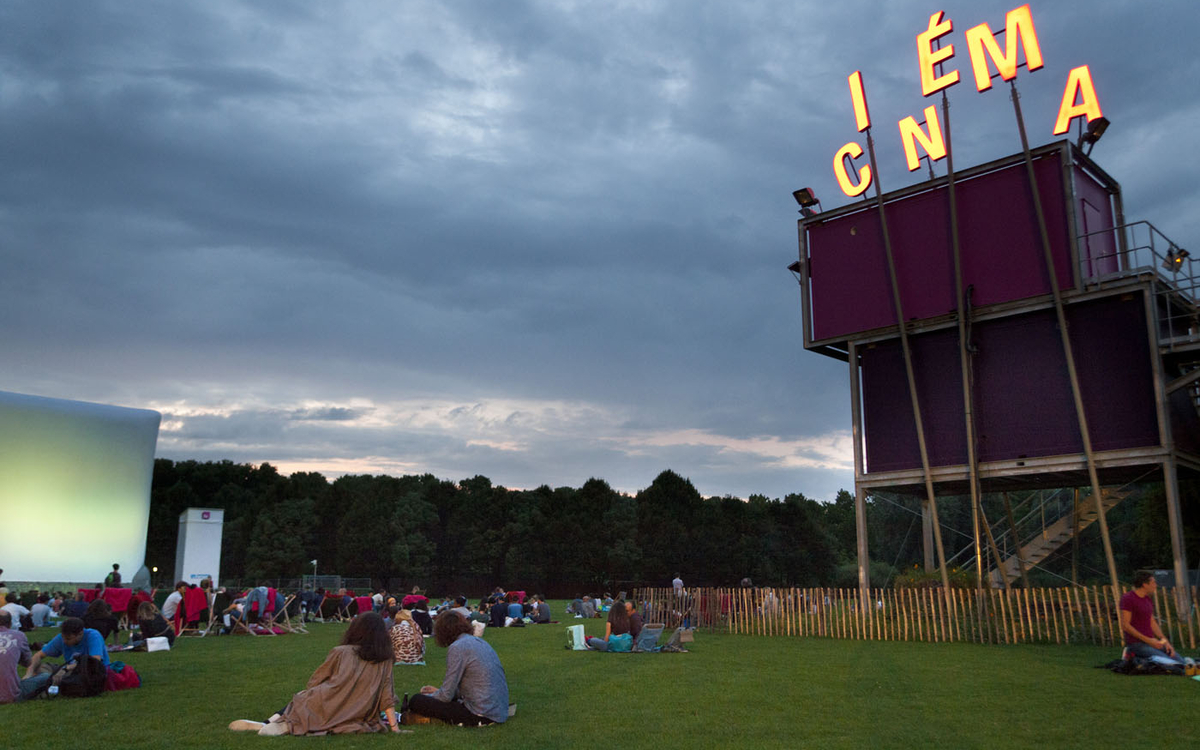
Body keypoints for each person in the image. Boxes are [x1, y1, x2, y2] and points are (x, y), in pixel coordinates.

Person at [229, 612, 401, 735]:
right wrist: (395, 728)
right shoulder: (385, 660)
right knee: (307, 701)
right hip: (357, 712)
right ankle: (271, 724)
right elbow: (387, 696)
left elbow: (316, 681)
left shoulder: (341, 652)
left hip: (327, 702)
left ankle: (271, 723)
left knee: (302, 699)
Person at [407, 611, 508, 726]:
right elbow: (471, 685)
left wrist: (432, 696)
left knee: (416, 700)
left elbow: (445, 696)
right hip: (498, 711)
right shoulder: (480, 642)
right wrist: (437, 692)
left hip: (480, 714)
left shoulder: (457, 647)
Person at [1120, 570, 1184, 664]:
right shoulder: (1128, 598)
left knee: (1180, 661)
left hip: (1152, 642)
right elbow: (1125, 625)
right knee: (1170, 664)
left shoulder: (1147, 600)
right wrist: (1149, 641)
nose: (1156, 585)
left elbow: (1152, 622)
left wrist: (1165, 641)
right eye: (1153, 582)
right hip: (1137, 644)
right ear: (1145, 584)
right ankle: (1130, 653)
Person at [25, 617, 110, 677]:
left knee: (70, 675)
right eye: (63, 638)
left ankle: (48, 682)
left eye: (68, 639)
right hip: (68, 669)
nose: (65, 641)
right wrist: (28, 673)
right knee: (39, 667)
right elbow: (38, 655)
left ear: (80, 634)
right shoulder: (62, 638)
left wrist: (66, 669)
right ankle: (46, 681)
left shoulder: (93, 636)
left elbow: (94, 661)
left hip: (91, 671)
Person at [1, 611, 49, 703]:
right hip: (10, 695)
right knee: (45, 676)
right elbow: (28, 662)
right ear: (10, 624)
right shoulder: (18, 635)